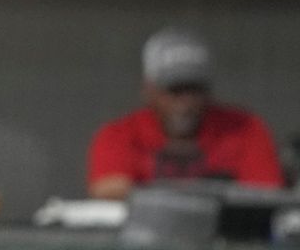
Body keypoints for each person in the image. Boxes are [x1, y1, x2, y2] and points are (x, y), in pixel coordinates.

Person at [87, 26, 284, 199]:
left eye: (194, 89)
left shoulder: (244, 128)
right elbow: (107, 188)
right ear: (149, 90)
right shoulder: (121, 133)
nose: (186, 102)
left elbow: (266, 193)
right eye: (175, 90)